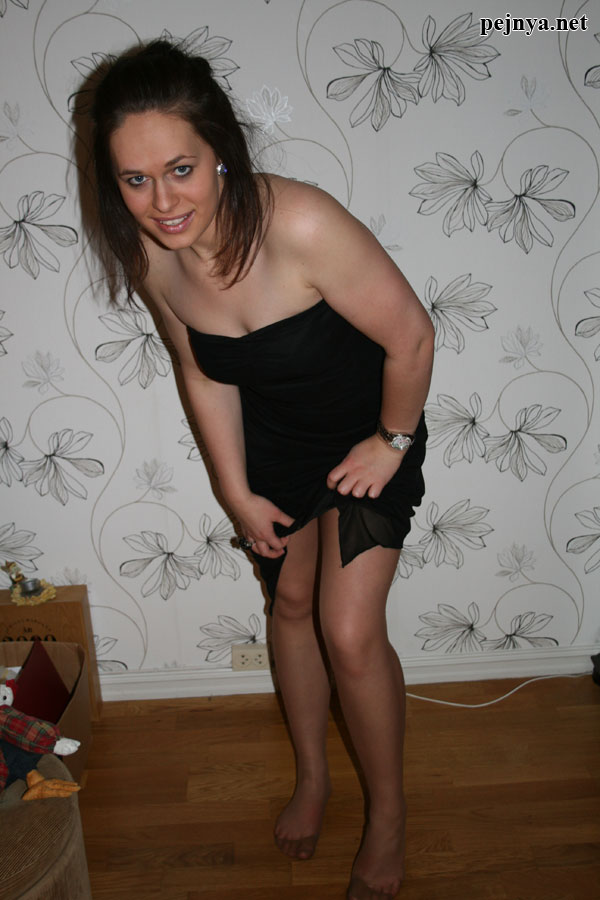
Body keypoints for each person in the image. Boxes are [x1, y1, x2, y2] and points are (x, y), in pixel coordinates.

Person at [90, 40, 434, 900]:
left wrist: (391, 441)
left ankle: (389, 816)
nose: (163, 202)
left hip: (367, 437)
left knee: (348, 632)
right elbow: (202, 371)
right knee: (289, 605)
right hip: (273, 449)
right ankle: (314, 776)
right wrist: (234, 488)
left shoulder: (302, 223)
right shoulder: (152, 255)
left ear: (221, 151)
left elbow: (412, 337)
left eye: (180, 169)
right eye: (136, 180)